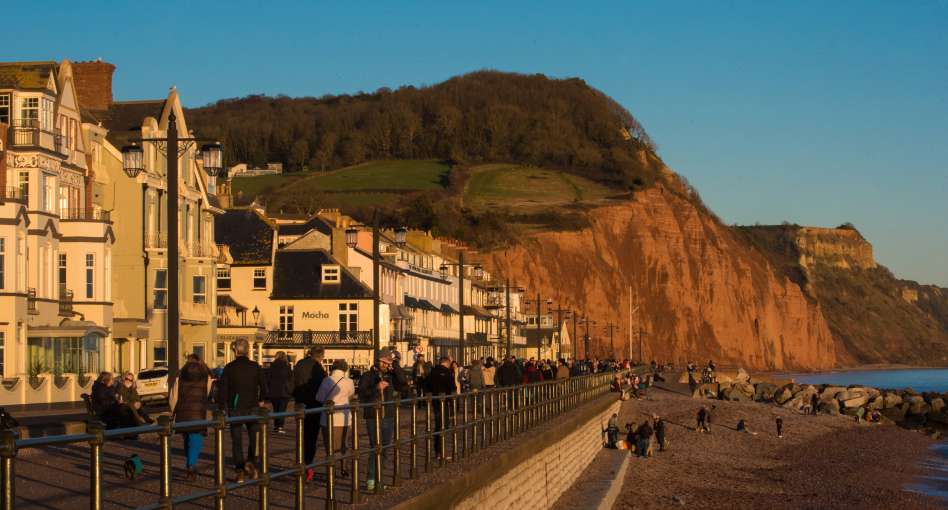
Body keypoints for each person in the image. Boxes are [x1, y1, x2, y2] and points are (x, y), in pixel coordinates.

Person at [357, 349, 410, 492]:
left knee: (385, 448)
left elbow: (404, 385)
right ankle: (371, 480)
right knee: (376, 447)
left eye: (388, 363)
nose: (386, 365)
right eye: (384, 362)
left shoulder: (391, 376)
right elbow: (362, 395)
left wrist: (396, 367)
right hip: (373, 416)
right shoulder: (368, 376)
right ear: (378, 361)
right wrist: (376, 387)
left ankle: (379, 478)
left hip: (388, 415)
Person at [218, 338, 267, 483]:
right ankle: (251, 463)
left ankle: (239, 471)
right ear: (247, 350)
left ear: (235, 351)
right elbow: (264, 387)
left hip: (236, 407)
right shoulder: (255, 367)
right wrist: (261, 399)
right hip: (253, 406)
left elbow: (223, 390)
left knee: (237, 441)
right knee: (254, 438)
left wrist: (222, 406)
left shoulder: (229, 368)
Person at [171, 354, 212, 480]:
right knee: (196, 437)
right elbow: (207, 392)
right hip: (198, 411)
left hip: (183, 412)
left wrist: (173, 410)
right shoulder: (206, 375)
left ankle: (190, 462)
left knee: (187, 436)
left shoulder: (180, 375)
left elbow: (174, 396)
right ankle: (191, 464)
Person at [315, 359, 355, 478]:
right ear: (345, 369)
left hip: (328, 418)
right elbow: (351, 395)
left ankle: (331, 469)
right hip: (345, 417)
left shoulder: (326, 380)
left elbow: (319, 397)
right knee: (344, 443)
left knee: (330, 445)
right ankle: (344, 467)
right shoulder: (349, 381)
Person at [293, 347, 327, 481]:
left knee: (301, 435)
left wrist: (296, 397)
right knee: (311, 438)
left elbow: (292, 382)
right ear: (321, 356)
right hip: (315, 405)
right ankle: (308, 465)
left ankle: (300, 463)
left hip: (301, 404)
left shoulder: (300, 364)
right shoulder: (318, 369)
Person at [427, 355, 456, 459]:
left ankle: (438, 451)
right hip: (445, 401)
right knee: (444, 425)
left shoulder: (432, 372)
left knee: (438, 424)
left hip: (435, 400)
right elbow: (452, 387)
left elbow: (427, 385)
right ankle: (441, 451)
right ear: (447, 363)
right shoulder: (448, 372)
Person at [266, 351, 293, 433]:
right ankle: (280, 426)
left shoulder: (272, 366)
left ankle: (276, 426)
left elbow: (268, 379)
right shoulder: (287, 366)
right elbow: (290, 379)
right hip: (284, 391)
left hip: (273, 391)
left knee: (275, 409)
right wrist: (290, 390)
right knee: (282, 409)